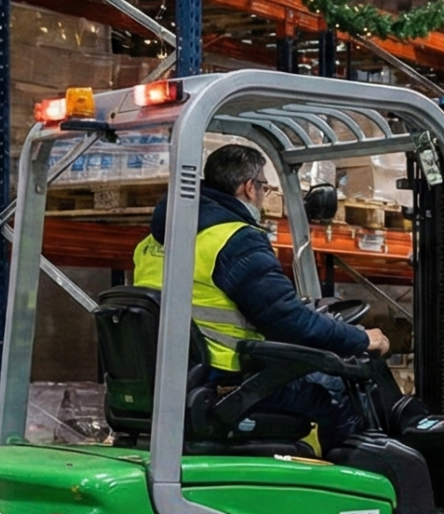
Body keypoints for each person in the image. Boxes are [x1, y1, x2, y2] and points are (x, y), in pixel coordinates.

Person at [132, 143, 388, 453]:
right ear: (249, 187)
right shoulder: (234, 239)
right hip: (229, 382)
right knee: (341, 390)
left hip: (173, 382)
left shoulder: (152, 243)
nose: (264, 197)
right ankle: (357, 491)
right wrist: (360, 339)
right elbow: (289, 322)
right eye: (265, 187)